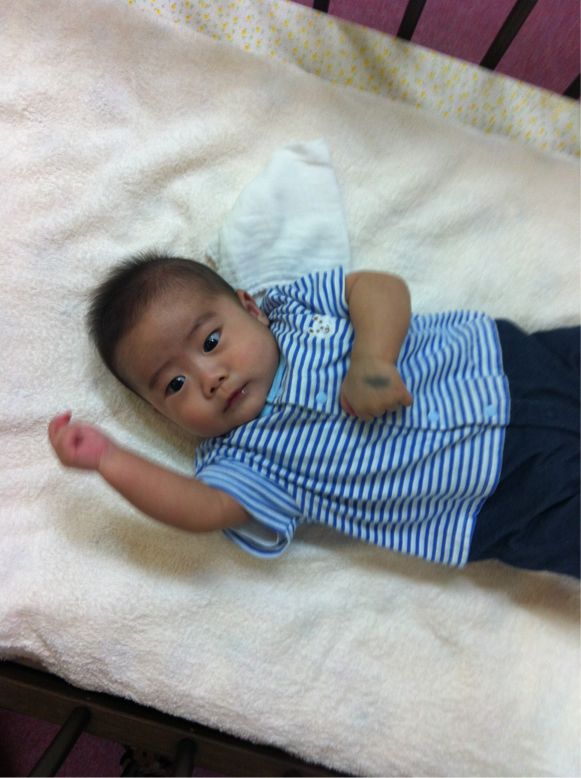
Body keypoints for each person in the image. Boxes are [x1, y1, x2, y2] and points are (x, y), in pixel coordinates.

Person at [48, 253, 580, 578]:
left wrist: (373, 357)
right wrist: (111, 461)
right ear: (163, 415)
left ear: (251, 308)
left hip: (504, 363)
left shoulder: (293, 307)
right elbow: (201, 509)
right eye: (175, 384)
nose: (209, 378)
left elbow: (379, 287)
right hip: (502, 497)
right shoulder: (238, 461)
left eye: (210, 341)